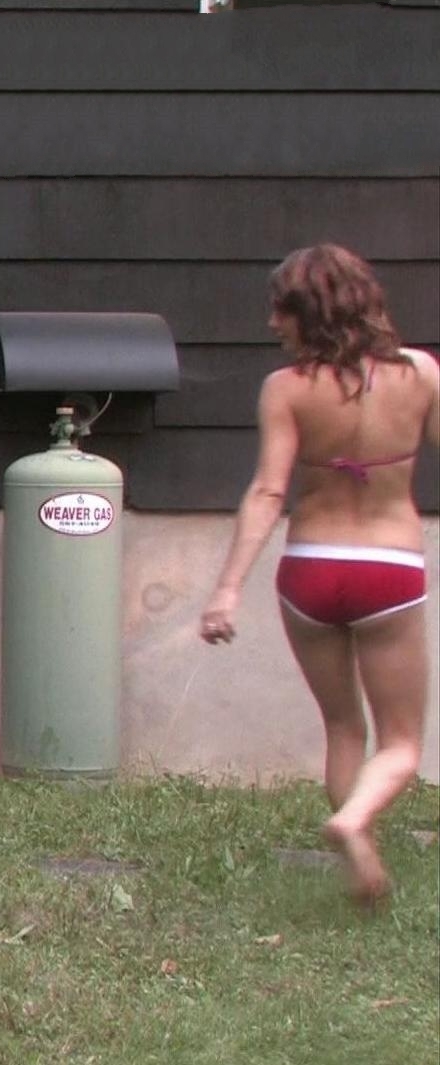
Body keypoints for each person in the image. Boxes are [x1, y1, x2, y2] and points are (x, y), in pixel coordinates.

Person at [200, 243, 440, 909]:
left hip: (310, 571)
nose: (272, 321)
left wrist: (227, 589)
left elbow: (267, 492)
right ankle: (356, 821)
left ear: (311, 313)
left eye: (281, 309)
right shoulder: (421, 373)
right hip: (389, 569)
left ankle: (359, 853)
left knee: (342, 726)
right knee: (402, 742)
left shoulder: (285, 389)